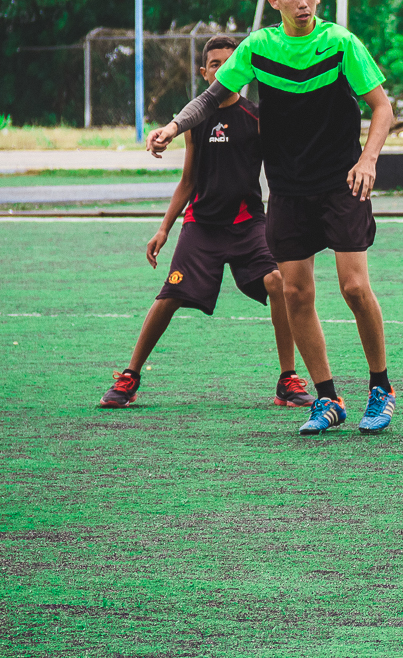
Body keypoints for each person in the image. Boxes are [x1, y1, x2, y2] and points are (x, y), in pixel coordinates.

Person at [147, 0, 397, 436]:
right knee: (296, 292)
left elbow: (382, 107)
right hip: (287, 188)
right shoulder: (259, 47)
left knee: (353, 287)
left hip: (342, 182)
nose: (303, 2)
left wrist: (368, 160)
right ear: (274, 0)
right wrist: (173, 128)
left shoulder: (341, 43)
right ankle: (327, 398)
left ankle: (381, 388)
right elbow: (210, 99)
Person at [100, 36, 316, 409]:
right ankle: (130, 377)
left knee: (278, 282)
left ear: (241, 71)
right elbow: (188, 181)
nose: (222, 70)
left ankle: (288, 379)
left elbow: (284, 165)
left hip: (248, 224)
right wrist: (164, 228)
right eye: (214, 64)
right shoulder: (195, 120)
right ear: (204, 73)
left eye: (229, 63)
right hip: (201, 226)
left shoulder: (257, 117)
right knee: (169, 295)